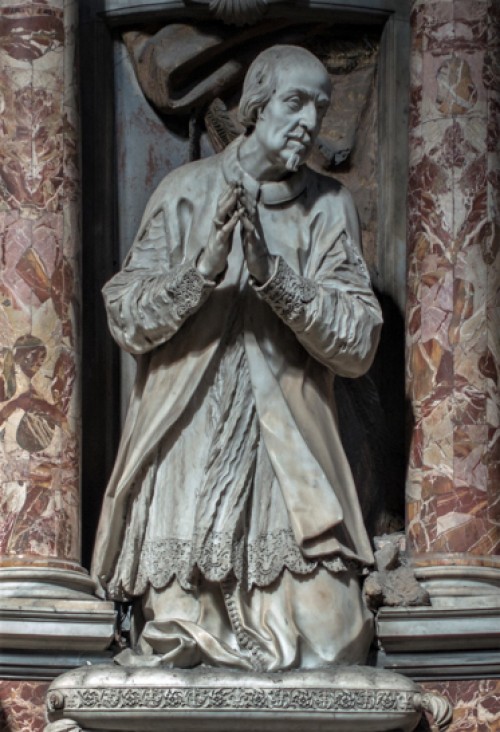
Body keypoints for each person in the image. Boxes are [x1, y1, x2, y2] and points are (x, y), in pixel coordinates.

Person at [91, 45, 383, 671]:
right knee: (176, 633)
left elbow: (358, 342)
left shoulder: (330, 208)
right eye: (294, 101)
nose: (309, 120)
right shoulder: (186, 192)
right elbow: (125, 314)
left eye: (321, 106)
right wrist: (199, 274)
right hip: (190, 438)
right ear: (256, 105)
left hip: (290, 447)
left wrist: (274, 277)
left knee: (332, 638)